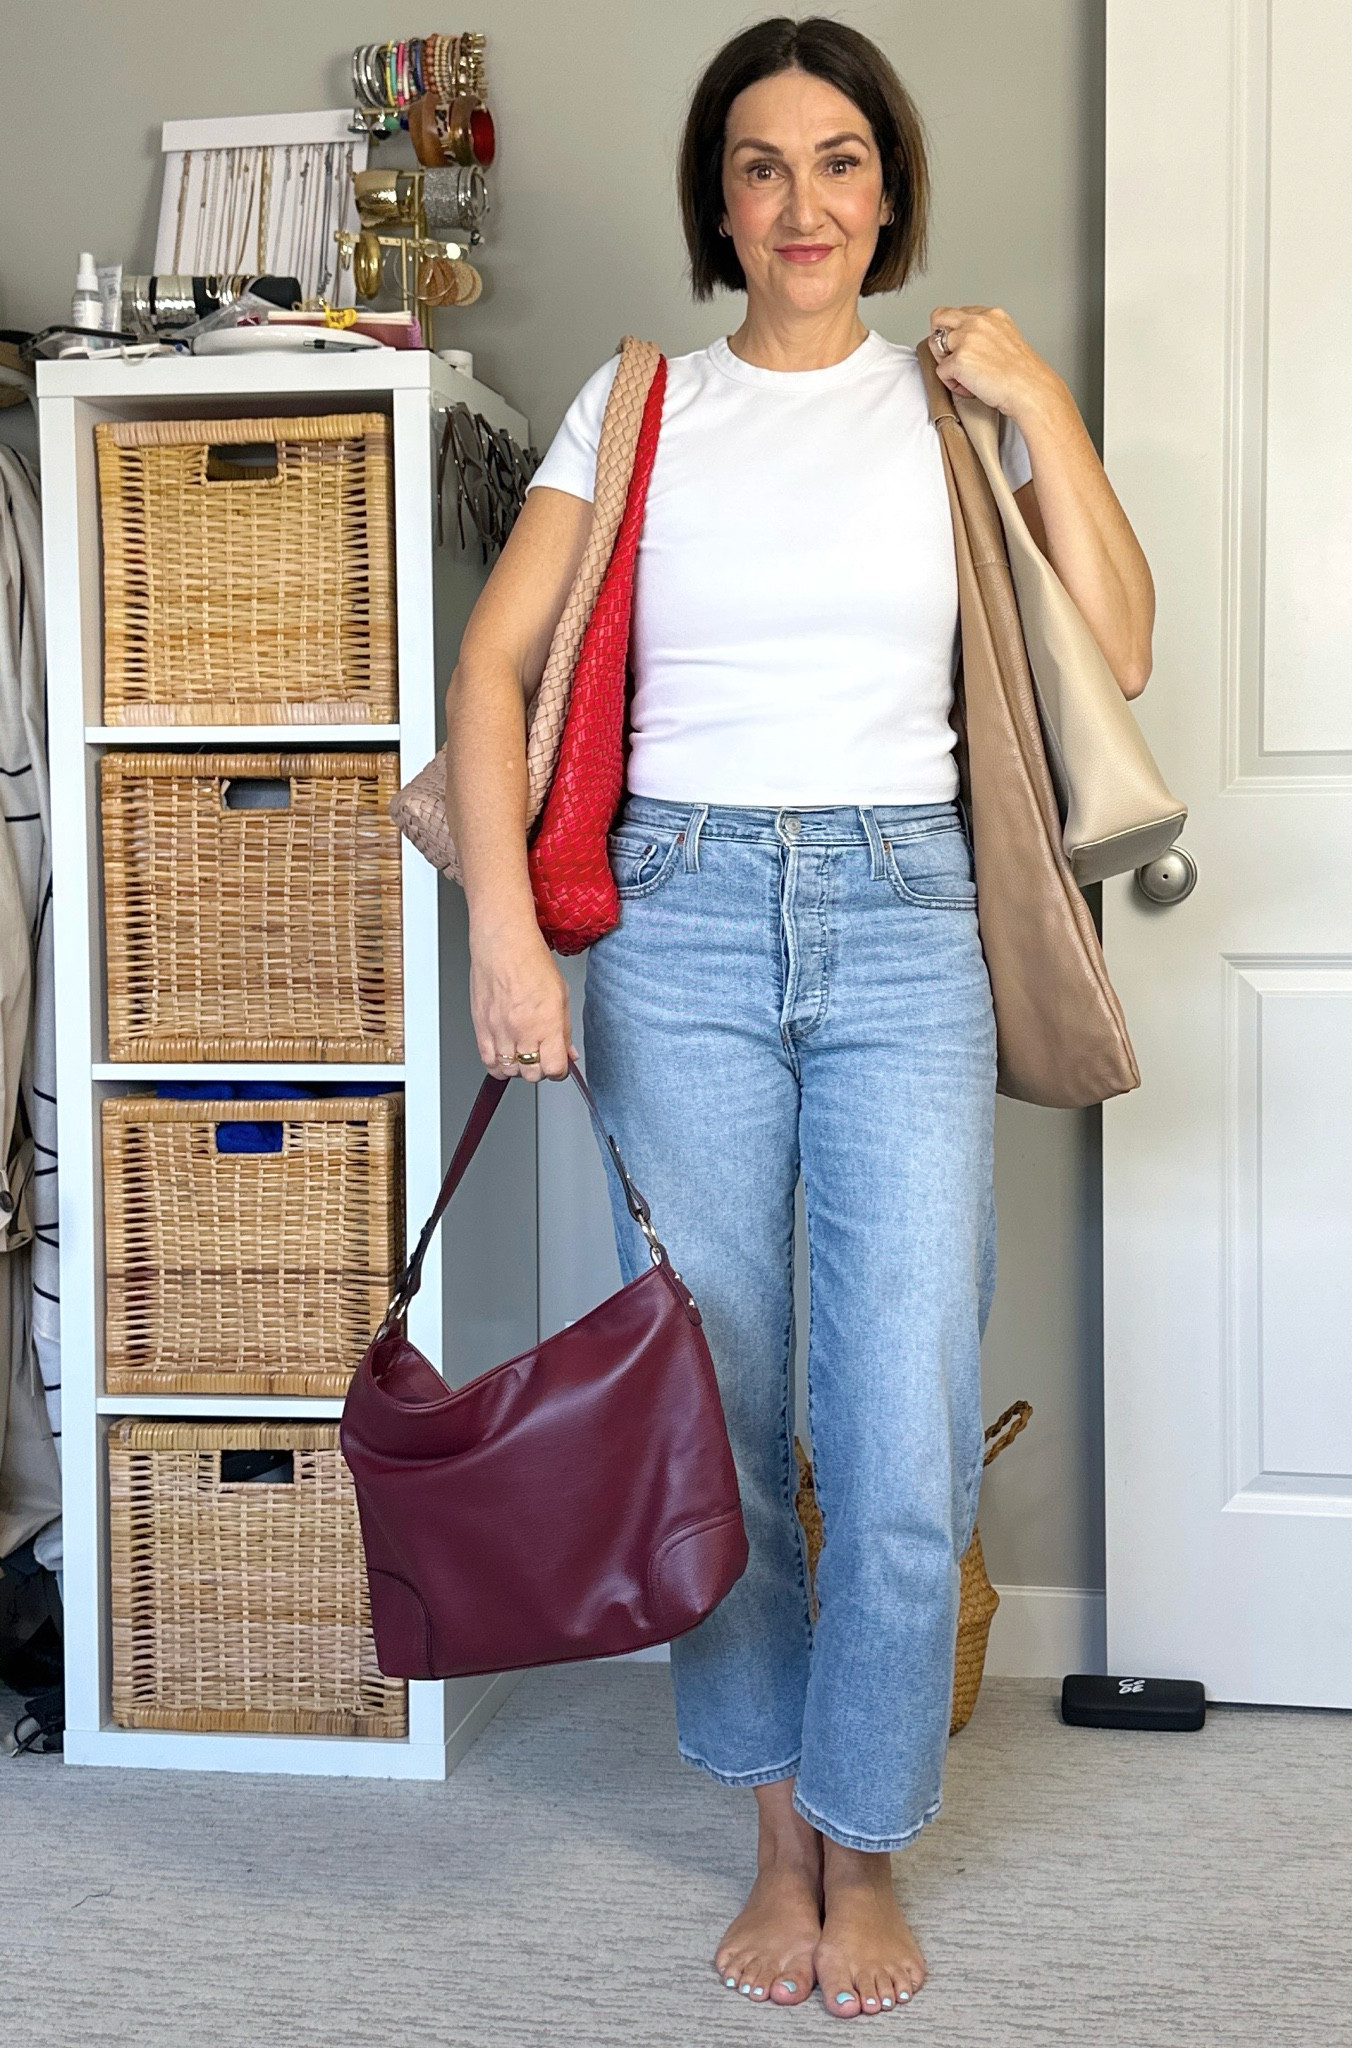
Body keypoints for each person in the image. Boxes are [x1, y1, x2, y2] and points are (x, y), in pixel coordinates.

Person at [443, 14, 1153, 2020]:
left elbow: (1120, 637)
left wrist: (1040, 408)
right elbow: (498, 674)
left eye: (838, 160)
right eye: (760, 165)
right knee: (724, 1415)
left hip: (906, 915)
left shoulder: (945, 413)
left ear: (889, 188)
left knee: (902, 1418)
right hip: (671, 922)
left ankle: (872, 1836)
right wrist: (514, 937)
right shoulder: (639, 405)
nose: (802, 201)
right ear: (718, 202)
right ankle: (776, 1841)